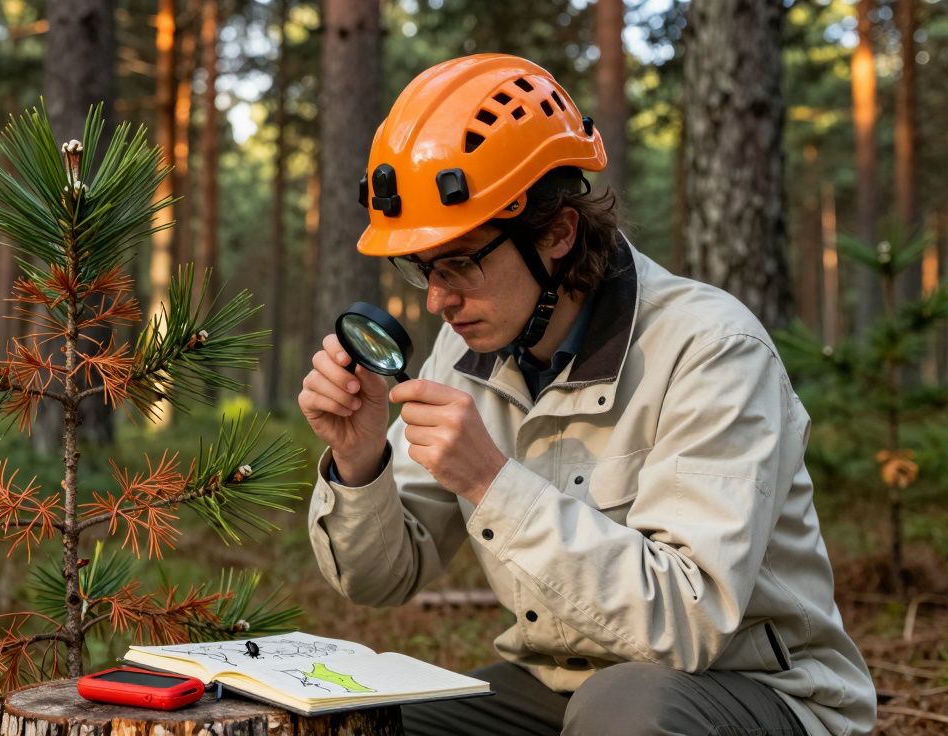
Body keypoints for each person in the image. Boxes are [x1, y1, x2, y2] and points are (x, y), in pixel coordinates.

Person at [299, 54, 875, 736]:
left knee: (625, 714)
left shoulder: (711, 351)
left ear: (558, 232)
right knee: (381, 725)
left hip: (750, 690)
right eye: (422, 267)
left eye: (460, 262)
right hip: (561, 690)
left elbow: (687, 623)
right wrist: (361, 465)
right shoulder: (466, 350)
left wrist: (492, 480)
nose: (438, 298)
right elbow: (380, 581)